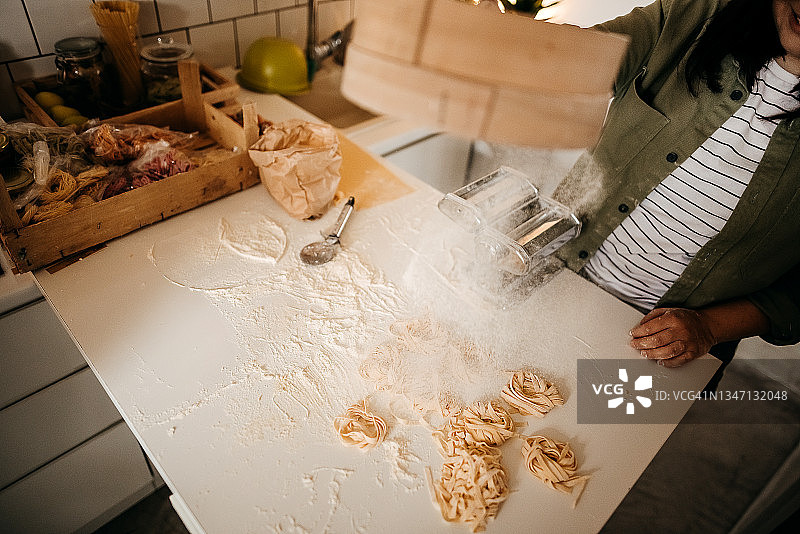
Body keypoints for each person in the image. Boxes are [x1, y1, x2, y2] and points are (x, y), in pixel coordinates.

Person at [552, 0, 800, 374]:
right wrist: (496, 33)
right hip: (553, 270)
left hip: (663, 347)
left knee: (584, 428)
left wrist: (708, 327)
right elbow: (572, 59)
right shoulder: (698, 15)